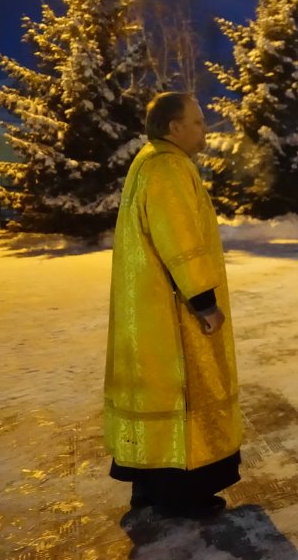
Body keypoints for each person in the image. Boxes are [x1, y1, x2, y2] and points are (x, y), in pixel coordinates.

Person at [104, 92, 242, 518]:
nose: (205, 129)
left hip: (148, 311)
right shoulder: (168, 167)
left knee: (156, 397)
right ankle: (183, 495)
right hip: (173, 313)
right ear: (173, 127)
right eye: (197, 121)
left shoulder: (148, 161)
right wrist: (204, 302)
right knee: (185, 397)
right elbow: (180, 241)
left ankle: (149, 485)